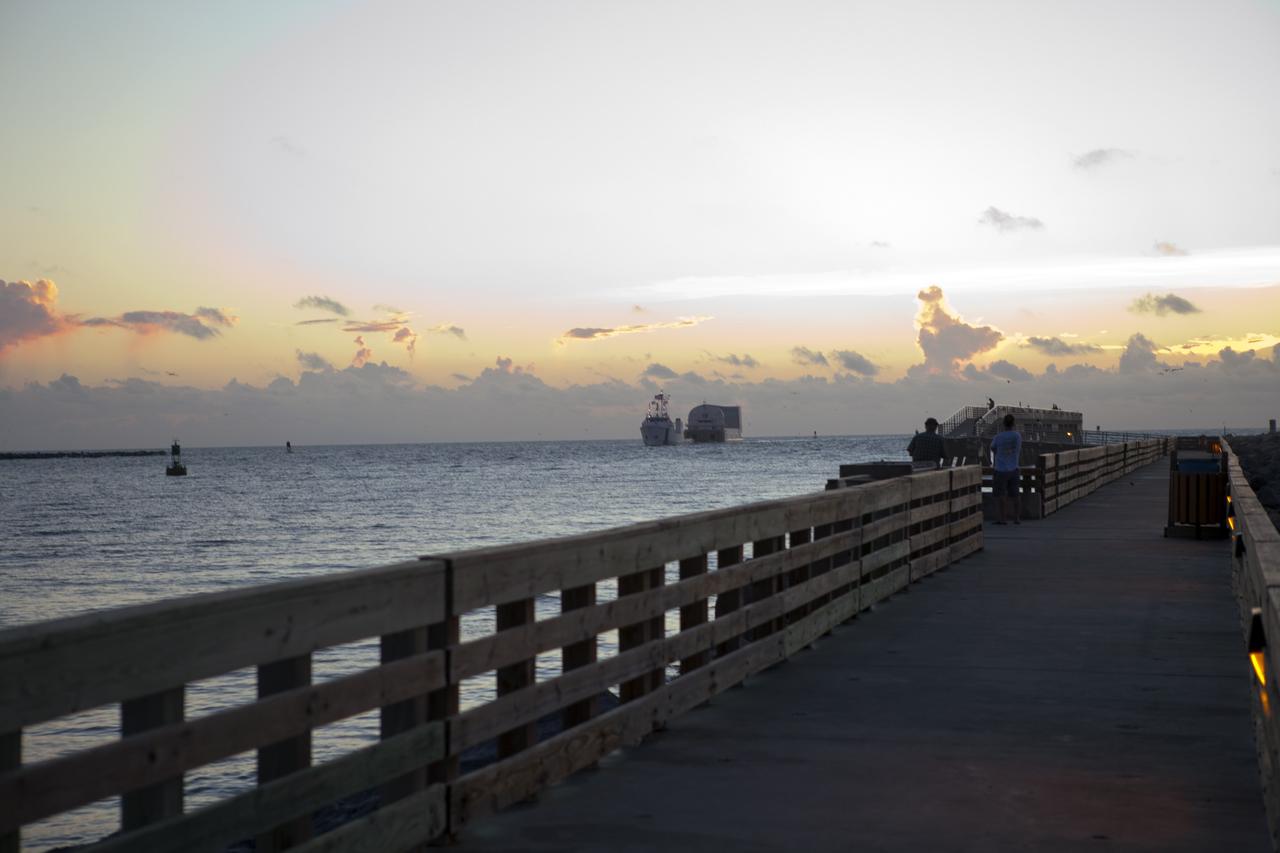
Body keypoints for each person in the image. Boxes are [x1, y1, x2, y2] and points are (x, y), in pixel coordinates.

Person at [990, 413, 1022, 524]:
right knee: (1015, 495)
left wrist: (999, 454)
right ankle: (1016, 518)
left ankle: (1002, 519)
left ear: (1004, 424)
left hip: (1001, 469)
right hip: (1014, 468)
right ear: (1013, 423)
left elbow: (992, 447)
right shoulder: (1017, 436)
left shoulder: (998, 437)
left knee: (1001, 495)